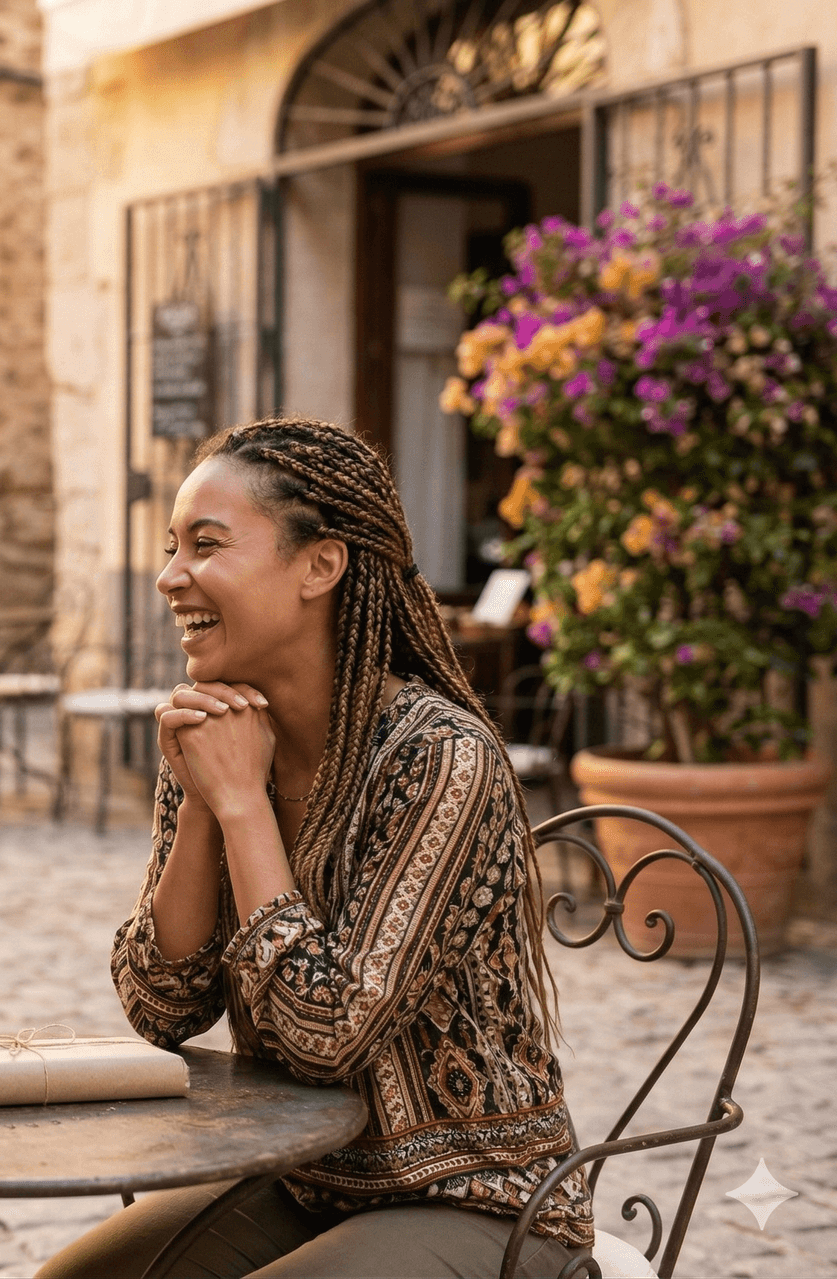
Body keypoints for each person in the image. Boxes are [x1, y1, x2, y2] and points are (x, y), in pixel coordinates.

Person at [40, 418, 592, 1278]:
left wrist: (243, 810)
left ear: (320, 566)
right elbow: (161, 1008)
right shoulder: (216, 729)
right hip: (305, 1179)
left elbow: (327, 1032)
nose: (168, 576)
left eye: (207, 545)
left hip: (477, 1198)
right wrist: (201, 802)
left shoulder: (439, 754)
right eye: (172, 545)